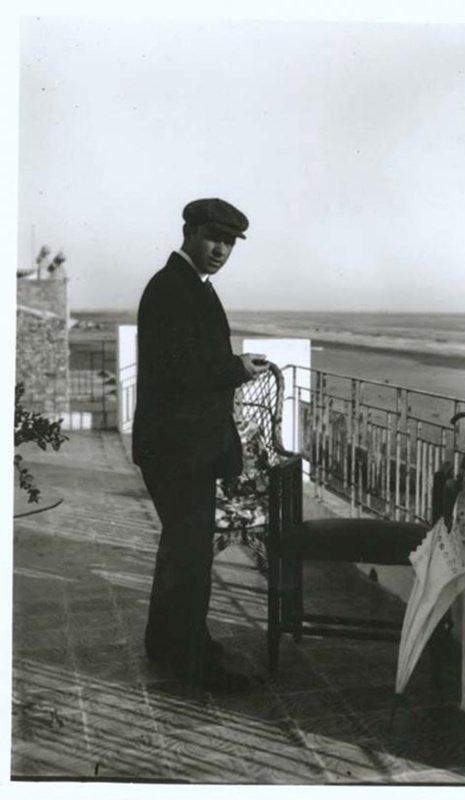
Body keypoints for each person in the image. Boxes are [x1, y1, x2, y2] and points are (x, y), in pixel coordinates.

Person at [132, 198, 269, 691]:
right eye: (214, 237)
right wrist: (235, 369)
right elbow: (180, 371)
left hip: (182, 446)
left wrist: (233, 363)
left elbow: (194, 356)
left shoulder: (189, 286)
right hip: (178, 449)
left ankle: (168, 642)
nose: (222, 249)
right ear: (189, 231)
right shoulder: (173, 288)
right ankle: (192, 660)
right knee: (189, 557)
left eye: (230, 242)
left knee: (181, 552)